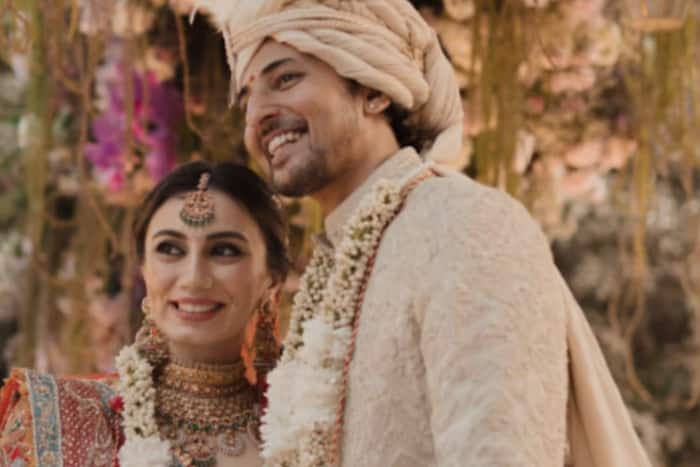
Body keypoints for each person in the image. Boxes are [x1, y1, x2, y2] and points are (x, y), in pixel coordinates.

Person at [195, 1, 653, 466]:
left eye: (286, 79)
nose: (257, 115)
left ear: (375, 90)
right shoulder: (332, 272)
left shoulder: (461, 223)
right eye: (246, 98)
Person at [0, 161, 289, 467]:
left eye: (225, 250)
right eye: (170, 249)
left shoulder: (305, 431)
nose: (193, 278)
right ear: (144, 268)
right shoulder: (59, 416)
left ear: (271, 278)